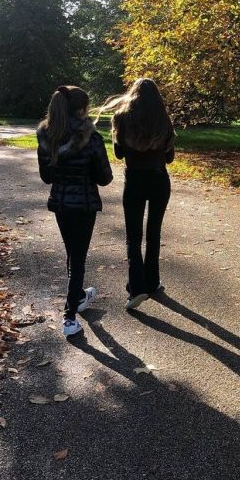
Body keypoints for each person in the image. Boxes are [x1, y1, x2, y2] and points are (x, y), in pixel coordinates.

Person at [37, 86, 113, 336]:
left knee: (72, 253)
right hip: (84, 204)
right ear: (82, 109)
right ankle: (69, 317)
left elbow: (47, 177)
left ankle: (79, 295)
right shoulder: (91, 138)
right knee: (78, 258)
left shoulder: (47, 137)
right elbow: (105, 178)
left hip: (60, 203)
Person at [100, 78, 175, 310]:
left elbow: (119, 154)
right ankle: (152, 281)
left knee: (133, 236)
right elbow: (169, 158)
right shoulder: (164, 120)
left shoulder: (121, 118)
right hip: (159, 179)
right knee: (154, 232)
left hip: (134, 179)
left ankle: (137, 286)